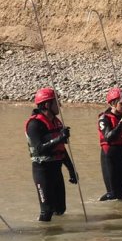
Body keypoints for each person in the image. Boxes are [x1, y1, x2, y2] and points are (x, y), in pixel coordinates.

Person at [24, 87, 78, 222]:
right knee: (46, 211)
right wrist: (59, 138)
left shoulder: (56, 122)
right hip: (42, 170)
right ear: (47, 104)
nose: (59, 104)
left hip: (56, 169)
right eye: (56, 101)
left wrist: (71, 170)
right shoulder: (34, 124)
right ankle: (44, 237)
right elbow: (39, 148)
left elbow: (61, 149)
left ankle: (57, 237)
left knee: (60, 209)